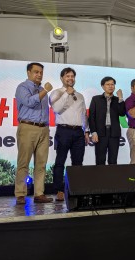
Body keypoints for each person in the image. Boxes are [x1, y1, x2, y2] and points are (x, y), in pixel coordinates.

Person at [14, 62, 53, 205]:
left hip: (43, 128)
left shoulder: (42, 89)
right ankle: (20, 194)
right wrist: (45, 92)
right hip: (28, 127)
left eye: (41, 72)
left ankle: (39, 193)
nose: (39, 75)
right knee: (23, 163)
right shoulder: (22, 87)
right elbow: (30, 102)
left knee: (41, 164)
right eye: (36, 72)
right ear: (28, 73)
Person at [49, 67, 90, 202]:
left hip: (79, 132)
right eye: (67, 76)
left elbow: (84, 114)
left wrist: (86, 131)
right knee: (60, 161)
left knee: (78, 162)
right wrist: (67, 94)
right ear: (62, 78)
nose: (70, 78)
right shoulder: (56, 93)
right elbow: (56, 109)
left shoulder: (80, 96)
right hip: (63, 130)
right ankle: (59, 190)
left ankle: (75, 188)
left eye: (72, 76)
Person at [89, 76, 126, 165]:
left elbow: (122, 113)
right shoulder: (96, 99)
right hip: (100, 133)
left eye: (112, 84)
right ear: (102, 86)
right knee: (100, 160)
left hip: (114, 133)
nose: (110, 86)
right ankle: (99, 179)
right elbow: (91, 117)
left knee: (113, 161)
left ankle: (112, 179)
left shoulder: (118, 100)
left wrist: (121, 98)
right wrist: (93, 132)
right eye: (108, 84)